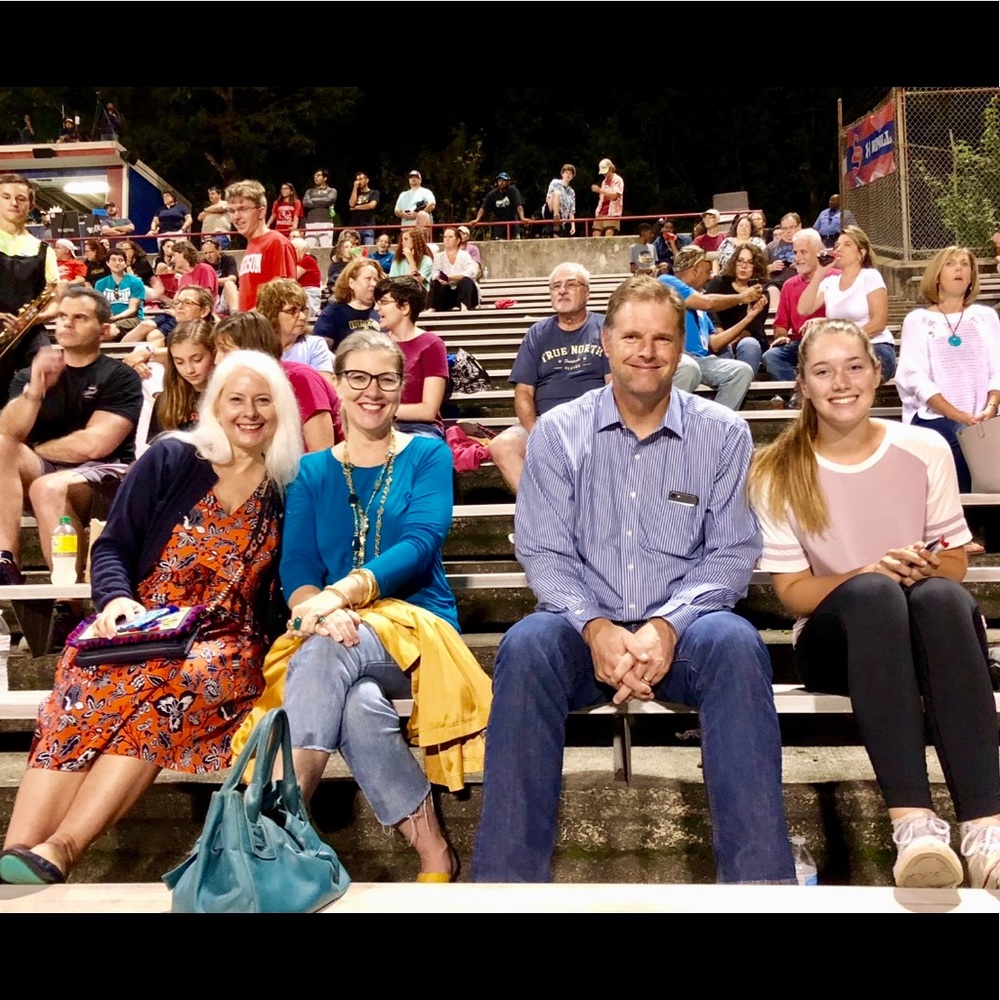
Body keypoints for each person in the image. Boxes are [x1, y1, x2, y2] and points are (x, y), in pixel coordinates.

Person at [471, 276, 795, 884]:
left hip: (684, 633)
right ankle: (505, 888)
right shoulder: (559, 433)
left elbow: (730, 554)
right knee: (525, 646)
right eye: (632, 336)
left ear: (681, 349)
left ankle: (759, 886)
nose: (647, 351)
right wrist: (595, 628)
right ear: (605, 339)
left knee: (736, 645)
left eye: (662, 339)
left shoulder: (723, 434)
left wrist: (666, 627)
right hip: (579, 630)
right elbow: (543, 551)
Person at [0, 351, 302, 885]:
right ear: (215, 405)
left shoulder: (287, 486)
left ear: (282, 411)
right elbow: (114, 546)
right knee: (84, 686)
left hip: (224, 640)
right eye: (236, 399)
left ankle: (64, 847)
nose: (250, 412)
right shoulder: (174, 458)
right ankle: (17, 852)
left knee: (174, 689)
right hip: (143, 621)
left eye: (263, 401)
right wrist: (115, 600)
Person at [748, 317, 1000, 889]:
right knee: (875, 592)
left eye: (854, 366)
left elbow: (957, 564)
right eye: (823, 371)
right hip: (833, 641)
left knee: (938, 596)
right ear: (803, 386)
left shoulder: (924, 446)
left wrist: (927, 562)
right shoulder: (778, 470)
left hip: (920, 626)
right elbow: (791, 594)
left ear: (878, 372)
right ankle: (913, 823)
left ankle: (986, 830)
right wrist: (866, 571)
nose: (841, 381)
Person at [270, 329, 489, 881]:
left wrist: (337, 597)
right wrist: (314, 608)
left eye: (386, 379)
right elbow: (296, 569)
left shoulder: (428, 454)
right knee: (358, 703)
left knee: (322, 652)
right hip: (333, 627)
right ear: (337, 385)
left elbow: (420, 544)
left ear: (401, 385)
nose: (372, 390)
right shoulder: (309, 471)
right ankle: (433, 849)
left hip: (418, 630)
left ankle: (276, 824)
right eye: (358, 378)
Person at [0, 287, 142, 586]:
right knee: (3, 447)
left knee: (46, 488)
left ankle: (68, 602)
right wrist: (35, 393)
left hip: (104, 477)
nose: (67, 323)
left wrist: (37, 448)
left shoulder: (119, 376)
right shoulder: (29, 376)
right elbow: (8, 433)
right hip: (47, 473)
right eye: (63, 316)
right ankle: (6, 560)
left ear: (104, 330)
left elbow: (93, 445)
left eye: (80, 317)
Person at [488, 263, 609, 493]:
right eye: (556, 286)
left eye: (571, 284)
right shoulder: (537, 333)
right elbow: (523, 392)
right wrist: (537, 433)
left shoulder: (605, 328)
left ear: (587, 292)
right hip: (546, 422)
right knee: (502, 446)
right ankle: (543, 511)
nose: (562, 290)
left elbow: (614, 386)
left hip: (593, 421)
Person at [895, 247, 1000, 494]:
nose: (959, 268)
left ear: (972, 277)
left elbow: (998, 368)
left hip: (985, 414)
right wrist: (956, 414)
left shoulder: (985, 316)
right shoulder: (918, 320)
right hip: (934, 415)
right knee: (959, 437)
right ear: (937, 276)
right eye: (951, 263)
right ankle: (966, 513)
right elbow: (915, 377)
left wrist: (991, 407)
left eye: (965, 264)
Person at [213, 311, 339, 454]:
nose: (217, 361)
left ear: (252, 348)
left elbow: (321, 456)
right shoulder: (235, 386)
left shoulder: (300, 379)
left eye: (225, 350)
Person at [659, 245, 763, 410]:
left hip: (703, 360)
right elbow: (707, 303)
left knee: (742, 371)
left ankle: (715, 428)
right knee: (689, 368)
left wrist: (749, 317)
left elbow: (714, 343)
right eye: (707, 271)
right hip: (677, 357)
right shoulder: (667, 282)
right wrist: (742, 297)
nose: (710, 276)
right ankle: (670, 425)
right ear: (695, 270)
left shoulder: (699, 298)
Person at [796, 224, 895, 383]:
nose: (839, 249)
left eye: (847, 244)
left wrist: (847, 340)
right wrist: (820, 272)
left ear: (860, 253)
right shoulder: (830, 282)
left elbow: (879, 323)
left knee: (848, 368)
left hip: (874, 346)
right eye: (837, 245)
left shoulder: (870, 276)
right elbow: (803, 309)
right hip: (840, 351)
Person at [374, 277, 448, 439]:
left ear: (405, 307)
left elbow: (428, 410)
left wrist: (380, 409)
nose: (377, 309)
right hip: (378, 424)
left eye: (384, 302)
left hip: (420, 428)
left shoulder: (431, 344)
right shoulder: (377, 344)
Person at [762, 228, 833, 384]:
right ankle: (801, 393)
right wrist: (782, 337)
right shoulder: (789, 285)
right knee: (771, 357)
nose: (798, 258)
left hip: (831, 340)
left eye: (803, 252)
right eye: (795, 253)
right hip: (800, 344)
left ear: (819, 252)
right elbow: (780, 324)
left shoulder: (835, 277)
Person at [227, 179, 297, 312]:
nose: (236, 216)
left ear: (261, 212)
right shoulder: (251, 245)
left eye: (243, 209)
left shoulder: (277, 242)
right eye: (232, 211)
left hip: (265, 329)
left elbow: (284, 296)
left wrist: (245, 320)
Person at [705, 242, 770, 374]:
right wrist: (723, 336)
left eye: (749, 262)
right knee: (723, 349)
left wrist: (734, 338)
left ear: (756, 266)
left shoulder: (761, 292)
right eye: (740, 261)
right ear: (734, 263)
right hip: (719, 336)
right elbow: (711, 315)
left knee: (749, 345)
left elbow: (754, 327)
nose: (744, 266)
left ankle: (744, 388)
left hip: (746, 337)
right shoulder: (718, 283)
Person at [257, 277, 335, 385]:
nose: (302, 316)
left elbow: (322, 390)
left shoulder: (315, 345)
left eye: (303, 310)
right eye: (292, 311)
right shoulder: (256, 349)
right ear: (272, 313)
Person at [152, 319, 216, 433]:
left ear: (214, 354)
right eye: (179, 362)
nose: (189, 370)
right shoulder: (165, 400)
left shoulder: (230, 397)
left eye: (197, 360)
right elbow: (159, 446)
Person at [314, 257, 383, 349]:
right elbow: (321, 350)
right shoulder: (333, 313)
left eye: (376, 280)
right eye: (368, 279)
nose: (374, 284)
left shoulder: (383, 311)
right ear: (351, 283)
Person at [95, 248, 144, 337]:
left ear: (125, 264)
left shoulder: (136, 282)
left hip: (132, 319)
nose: (117, 263)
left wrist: (115, 318)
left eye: (120, 260)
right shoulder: (100, 284)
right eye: (113, 260)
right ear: (107, 263)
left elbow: (132, 310)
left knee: (109, 329)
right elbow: (99, 307)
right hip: (109, 319)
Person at [429, 227, 479, 311]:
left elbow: (470, 273)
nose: (447, 239)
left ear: (458, 240)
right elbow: (435, 273)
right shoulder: (439, 257)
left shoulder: (465, 255)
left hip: (464, 290)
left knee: (466, 280)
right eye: (445, 237)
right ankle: (432, 307)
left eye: (450, 237)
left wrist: (450, 277)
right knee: (435, 282)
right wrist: (440, 278)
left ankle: (464, 306)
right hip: (448, 291)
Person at [469, 172, 528, 240]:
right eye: (499, 180)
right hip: (499, 226)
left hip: (513, 225)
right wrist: (477, 219)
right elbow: (483, 208)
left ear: (508, 182)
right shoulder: (493, 194)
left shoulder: (513, 191)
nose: (501, 182)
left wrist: (522, 217)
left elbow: (519, 205)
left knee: (516, 243)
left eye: (503, 180)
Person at [200, 236, 240, 315]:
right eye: (205, 253)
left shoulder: (228, 260)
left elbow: (232, 279)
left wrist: (212, 281)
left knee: (229, 284)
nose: (208, 256)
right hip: (212, 299)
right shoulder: (202, 264)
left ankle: (235, 315)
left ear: (219, 250)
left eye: (211, 252)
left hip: (227, 297)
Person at [302, 168, 338, 248]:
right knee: (310, 249)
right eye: (314, 176)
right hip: (310, 224)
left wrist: (313, 200)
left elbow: (329, 200)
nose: (315, 177)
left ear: (325, 178)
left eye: (318, 175)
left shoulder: (332, 191)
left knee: (326, 249)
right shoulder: (309, 191)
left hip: (326, 223)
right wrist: (322, 203)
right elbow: (305, 203)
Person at [289, 237, 322, 319]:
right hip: (302, 290)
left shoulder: (307, 259)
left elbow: (293, 276)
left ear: (300, 250)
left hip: (309, 292)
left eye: (293, 250)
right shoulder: (299, 261)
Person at [590, 158, 623, 236]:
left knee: (608, 234)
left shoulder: (618, 180)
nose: (604, 174)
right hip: (601, 212)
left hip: (612, 212)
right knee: (595, 234)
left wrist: (600, 190)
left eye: (606, 172)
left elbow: (615, 195)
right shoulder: (604, 182)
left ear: (611, 169)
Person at [545, 164, 576, 238]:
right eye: (566, 173)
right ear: (562, 174)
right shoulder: (555, 182)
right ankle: (556, 215)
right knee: (557, 193)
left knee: (556, 237)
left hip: (562, 217)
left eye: (570, 173)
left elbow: (571, 211)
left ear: (572, 176)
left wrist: (573, 226)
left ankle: (557, 222)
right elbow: (548, 197)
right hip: (550, 209)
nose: (568, 175)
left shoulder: (571, 191)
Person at [348, 172, 380, 245]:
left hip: (368, 226)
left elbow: (372, 205)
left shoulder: (374, 192)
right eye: (357, 179)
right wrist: (355, 188)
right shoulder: (355, 193)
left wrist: (357, 207)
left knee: (369, 247)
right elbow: (351, 204)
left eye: (361, 179)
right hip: (355, 227)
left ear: (367, 180)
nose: (358, 181)